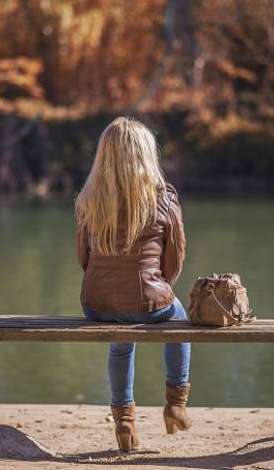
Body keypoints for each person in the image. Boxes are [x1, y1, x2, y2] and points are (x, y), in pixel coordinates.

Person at [74, 116, 191, 452]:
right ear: (146, 154)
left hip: (95, 304)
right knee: (179, 320)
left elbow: (83, 259)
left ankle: (124, 421)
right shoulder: (164, 198)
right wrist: (158, 287)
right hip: (149, 300)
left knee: (121, 340)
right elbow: (174, 262)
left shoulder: (88, 199)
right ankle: (176, 403)